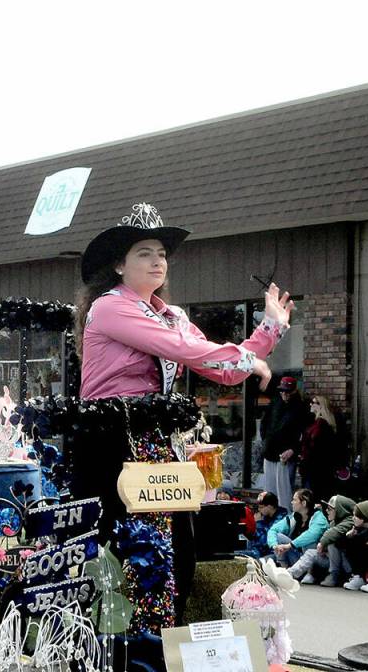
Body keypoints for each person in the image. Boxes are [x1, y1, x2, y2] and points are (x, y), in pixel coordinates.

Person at [74, 202, 293, 632]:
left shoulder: (171, 316)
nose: (158, 261)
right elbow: (186, 350)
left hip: (158, 445)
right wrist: (250, 357)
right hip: (112, 443)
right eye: (144, 253)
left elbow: (220, 370)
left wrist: (268, 330)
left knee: (178, 551)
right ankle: (121, 654)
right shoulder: (110, 307)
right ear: (119, 265)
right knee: (122, 553)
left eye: (161, 253)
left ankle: (159, 647)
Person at [260, 376, 309, 509]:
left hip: (285, 455)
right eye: (282, 391)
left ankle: (285, 520)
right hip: (270, 451)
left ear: (294, 391)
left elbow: (305, 434)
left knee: (285, 495)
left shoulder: (301, 407)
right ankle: (270, 519)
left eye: (287, 391)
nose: (284, 394)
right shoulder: (275, 402)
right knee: (269, 492)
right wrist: (266, 441)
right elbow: (264, 424)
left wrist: (294, 449)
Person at [287, 494, 355, 585]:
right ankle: (289, 574)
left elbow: (333, 533)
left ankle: (334, 575)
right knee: (311, 553)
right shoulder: (334, 522)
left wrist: (322, 544)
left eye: (330, 509)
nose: (327, 511)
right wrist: (325, 548)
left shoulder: (350, 520)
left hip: (347, 566)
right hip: (333, 559)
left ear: (340, 510)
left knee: (332, 541)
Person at [267, 487, 328, 568]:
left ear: (304, 503)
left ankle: (305, 574)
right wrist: (274, 546)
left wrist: (290, 545)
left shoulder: (319, 517)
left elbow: (312, 534)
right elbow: (273, 530)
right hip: (296, 557)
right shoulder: (294, 517)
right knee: (278, 537)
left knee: (309, 542)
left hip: (314, 561)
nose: (292, 502)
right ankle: (283, 568)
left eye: (295, 500)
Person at [299, 395, 339, 502]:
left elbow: (315, 447)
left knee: (310, 499)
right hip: (318, 469)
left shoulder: (320, 425)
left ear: (321, 406)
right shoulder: (320, 424)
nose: (311, 404)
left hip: (315, 470)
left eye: (314, 402)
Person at [239, 491, 289, 559]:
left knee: (237, 554)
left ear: (269, 506)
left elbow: (266, 540)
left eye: (261, 507)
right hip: (258, 549)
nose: (259, 510)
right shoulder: (267, 516)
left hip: (270, 552)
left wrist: (258, 522)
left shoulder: (281, 519)